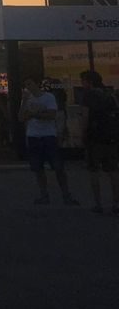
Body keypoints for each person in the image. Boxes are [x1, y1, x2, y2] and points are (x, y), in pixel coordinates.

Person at [20, 79, 78, 206]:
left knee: (58, 167)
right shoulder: (27, 99)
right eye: (26, 85)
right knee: (38, 169)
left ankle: (66, 195)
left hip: (48, 135)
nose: (28, 86)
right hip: (33, 135)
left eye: (30, 83)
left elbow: (52, 115)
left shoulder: (49, 97)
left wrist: (33, 114)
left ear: (36, 83)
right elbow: (21, 117)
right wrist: (24, 101)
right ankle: (44, 195)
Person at [80, 70, 119, 215]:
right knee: (113, 171)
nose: (82, 84)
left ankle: (98, 204)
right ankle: (116, 203)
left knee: (94, 171)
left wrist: (82, 134)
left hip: (94, 137)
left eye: (83, 81)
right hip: (111, 137)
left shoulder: (88, 96)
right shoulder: (110, 94)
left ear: (88, 81)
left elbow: (85, 117)